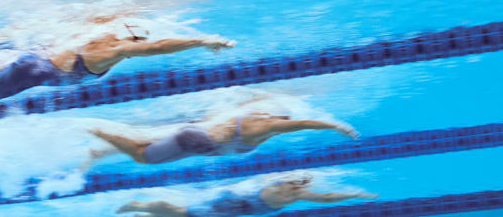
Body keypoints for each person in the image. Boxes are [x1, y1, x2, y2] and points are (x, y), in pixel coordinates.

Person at [0, 25, 234, 102]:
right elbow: (159, 47)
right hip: (35, 71)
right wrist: (202, 41)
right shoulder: (113, 51)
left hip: (36, 59)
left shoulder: (100, 35)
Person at [88, 109, 358, 165]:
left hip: (197, 139)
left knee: (145, 146)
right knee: (143, 156)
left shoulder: (259, 118)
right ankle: (94, 129)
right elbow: (303, 123)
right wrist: (335, 126)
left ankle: (100, 146)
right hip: (194, 141)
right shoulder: (262, 128)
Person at [116, 177, 377, 216]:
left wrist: (354, 194)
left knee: (185, 213)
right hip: (232, 205)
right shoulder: (292, 192)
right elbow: (329, 197)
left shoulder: (284, 185)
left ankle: (142, 210)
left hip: (233, 201)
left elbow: (329, 197)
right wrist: (355, 194)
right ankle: (137, 206)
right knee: (184, 213)